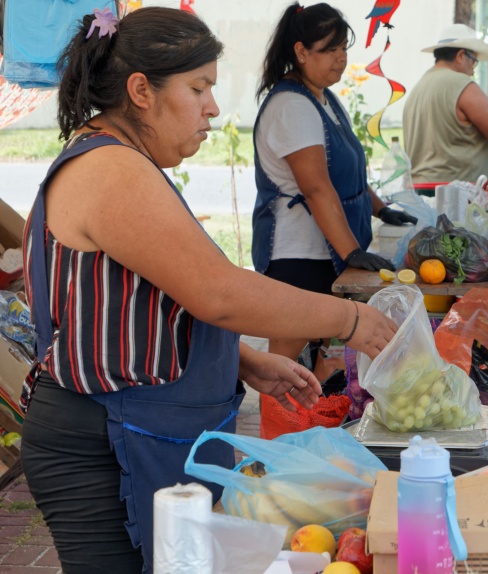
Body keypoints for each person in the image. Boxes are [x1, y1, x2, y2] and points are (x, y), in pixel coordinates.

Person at [20, 7, 397, 573]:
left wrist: (241, 359)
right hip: (101, 443)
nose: (213, 108)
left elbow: (137, 300)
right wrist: (348, 321)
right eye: (199, 88)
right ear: (141, 90)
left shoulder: (125, 160)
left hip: (131, 426)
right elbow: (217, 291)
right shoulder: (110, 169)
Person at [252, 2, 416, 362]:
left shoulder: (323, 99)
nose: (341, 58)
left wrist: (381, 209)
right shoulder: (291, 107)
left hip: (324, 251)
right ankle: (279, 422)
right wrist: (351, 252)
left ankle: (310, 421)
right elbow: (316, 188)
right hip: (297, 254)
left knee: (317, 359)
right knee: (287, 360)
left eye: (344, 48)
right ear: (301, 51)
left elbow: (345, 171)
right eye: (330, 49)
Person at [402, 23, 488, 184]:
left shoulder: (419, 87)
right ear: (461, 55)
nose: (472, 71)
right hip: (455, 194)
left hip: (420, 189)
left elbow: (445, 140)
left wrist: (482, 147)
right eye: (474, 61)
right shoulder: (459, 83)